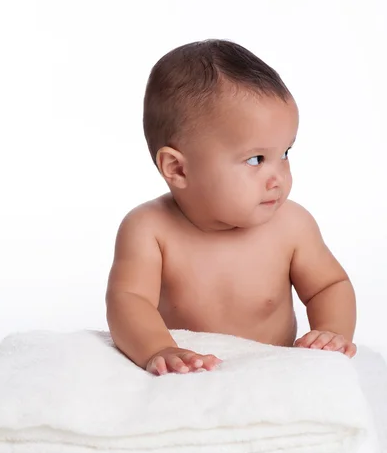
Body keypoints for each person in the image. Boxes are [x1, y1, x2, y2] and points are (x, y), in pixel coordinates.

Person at [106, 39, 357, 376]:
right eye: (256, 159)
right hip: (190, 376)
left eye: (285, 153)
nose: (278, 177)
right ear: (178, 169)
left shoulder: (292, 225)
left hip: (272, 373)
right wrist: (159, 349)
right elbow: (128, 300)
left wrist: (331, 333)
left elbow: (330, 286)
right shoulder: (149, 230)